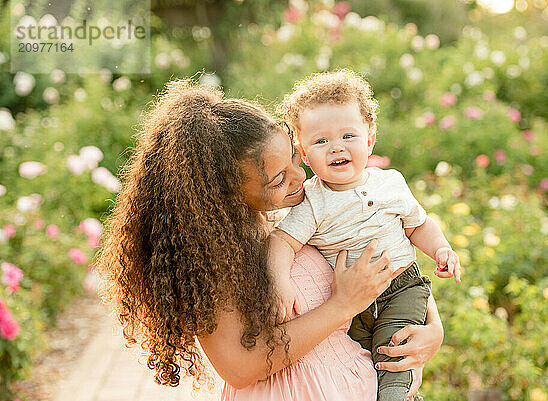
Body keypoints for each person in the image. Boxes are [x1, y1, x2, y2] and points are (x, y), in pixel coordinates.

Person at [95, 77, 444, 401]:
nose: (299, 177)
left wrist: (432, 328)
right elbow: (240, 368)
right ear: (226, 195)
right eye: (278, 180)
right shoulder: (212, 259)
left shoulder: (300, 211)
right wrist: (341, 307)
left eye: (294, 157)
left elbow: (388, 258)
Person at [268, 70, 462, 401]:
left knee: (392, 358)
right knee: (356, 367)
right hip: (352, 304)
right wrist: (279, 282)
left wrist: (442, 249)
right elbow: (282, 241)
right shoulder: (312, 201)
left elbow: (417, 225)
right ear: (301, 151)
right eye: (321, 141)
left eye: (348, 136)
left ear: (370, 139)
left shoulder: (390, 183)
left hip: (400, 288)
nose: (335, 148)